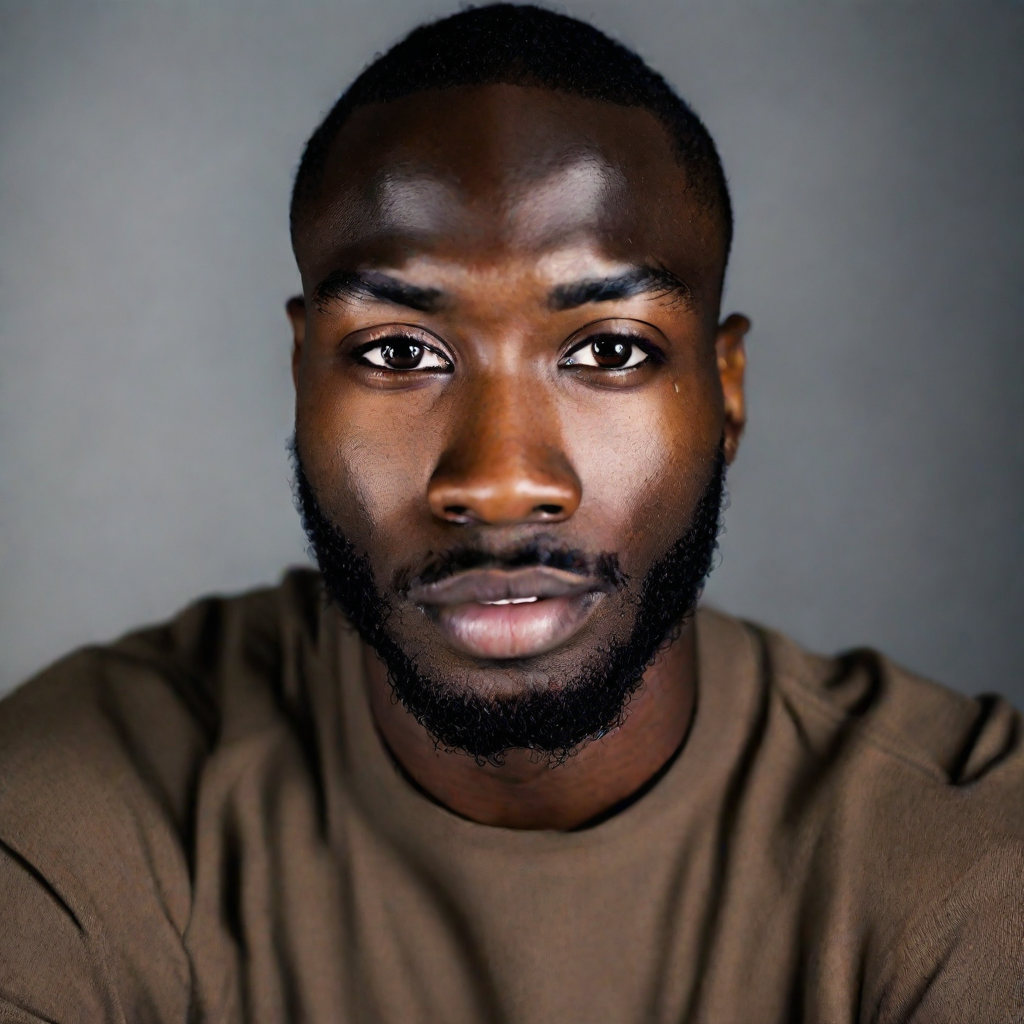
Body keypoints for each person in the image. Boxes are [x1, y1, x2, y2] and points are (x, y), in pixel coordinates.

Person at [1, 5, 1021, 1022]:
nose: (495, 481)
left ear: (727, 391)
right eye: (398, 351)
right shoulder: (79, 810)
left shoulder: (962, 856)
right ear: (302, 373)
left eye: (609, 350)